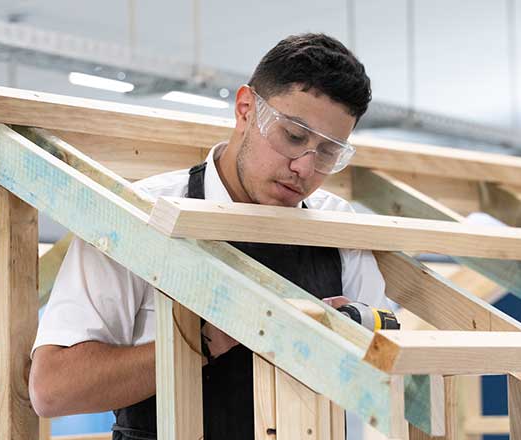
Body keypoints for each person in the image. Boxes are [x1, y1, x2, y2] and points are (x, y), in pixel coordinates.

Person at [29, 32, 389, 440]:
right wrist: (202, 340)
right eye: (293, 136)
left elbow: (383, 369)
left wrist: (352, 331)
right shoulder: (140, 216)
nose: (305, 168)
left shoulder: (338, 230)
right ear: (245, 109)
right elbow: (52, 390)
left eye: (328, 152)